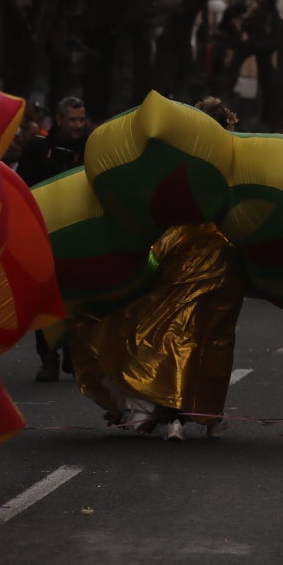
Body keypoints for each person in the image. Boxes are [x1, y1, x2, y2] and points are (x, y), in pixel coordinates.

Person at [69, 97, 247, 440]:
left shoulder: (180, 157)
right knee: (210, 335)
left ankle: (159, 407)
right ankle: (197, 411)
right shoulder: (236, 160)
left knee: (166, 325)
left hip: (177, 247)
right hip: (223, 255)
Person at [18, 96, 92, 381]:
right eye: (72, 120)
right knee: (45, 300)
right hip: (43, 235)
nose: (77, 125)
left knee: (78, 297)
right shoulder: (38, 148)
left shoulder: (90, 147)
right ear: (58, 120)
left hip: (80, 236)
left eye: (80, 119)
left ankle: (74, 353)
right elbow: (23, 188)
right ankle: (48, 357)